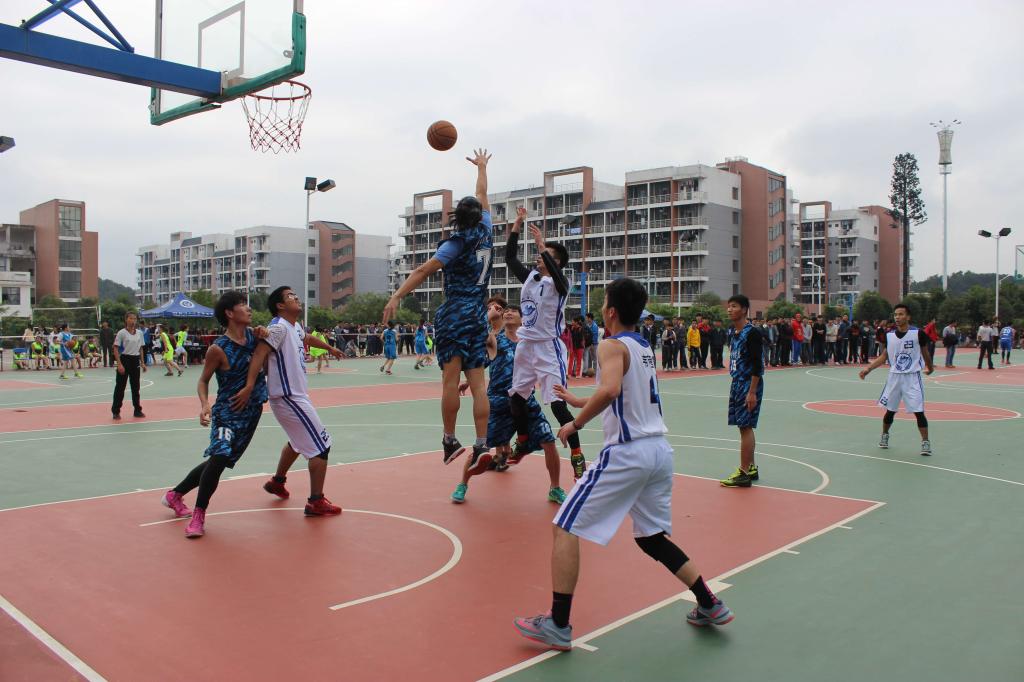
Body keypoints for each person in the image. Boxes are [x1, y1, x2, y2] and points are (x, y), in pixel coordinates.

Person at [513, 278, 733, 651]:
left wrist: (575, 423)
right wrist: (579, 401)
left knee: (564, 527)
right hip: (659, 451)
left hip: (628, 453)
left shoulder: (610, 344)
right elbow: (620, 393)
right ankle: (709, 602)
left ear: (611, 311)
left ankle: (558, 624)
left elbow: (611, 389)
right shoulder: (642, 346)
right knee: (651, 538)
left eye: (604, 305)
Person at [383, 149, 494, 468]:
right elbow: (482, 193)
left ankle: (449, 440)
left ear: (457, 218)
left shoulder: (455, 244)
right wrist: (482, 167)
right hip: (478, 314)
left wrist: (396, 296)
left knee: (450, 382)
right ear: (480, 215)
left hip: (455, 313)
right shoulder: (487, 229)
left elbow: (422, 271)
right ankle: (482, 444)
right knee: (479, 385)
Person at [162, 292, 269, 538]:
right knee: (219, 456)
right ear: (229, 313)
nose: (249, 308)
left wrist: (265, 332)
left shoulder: (256, 338)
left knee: (218, 461)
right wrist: (204, 404)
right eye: (242, 305)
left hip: (251, 412)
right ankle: (198, 516)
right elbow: (203, 380)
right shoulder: (218, 348)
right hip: (226, 413)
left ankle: (175, 494)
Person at [233, 286, 346, 516]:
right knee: (321, 447)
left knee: (297, 442)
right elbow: (259, 354)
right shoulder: (278, 328)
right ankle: (315, 501)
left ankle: (277, 482)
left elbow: (308, 338)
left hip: (294, 396)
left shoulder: (294, 327)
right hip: (288, 396)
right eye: (290, 296)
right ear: (280, 305)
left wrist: (329, 348)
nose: (296, 298)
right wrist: (249, 385)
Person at [451, 298, 567, 504]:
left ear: (524, 319)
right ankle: (462, 484)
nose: (509, 312)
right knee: (481, 447)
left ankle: (555, 488)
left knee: (549, 441)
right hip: (498, 401)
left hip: (524, 400)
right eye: (507, 311)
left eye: (515, 311)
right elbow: (481, 354)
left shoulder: (529, 343)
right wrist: (469, 381)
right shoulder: (495, 339)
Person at [505, 205, 587, 480]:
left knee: (557, 404)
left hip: (548, 348)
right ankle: (523, 440)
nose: (539, 259)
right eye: (540, 255)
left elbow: (558, 278)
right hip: (526, 346)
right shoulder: (531, 278)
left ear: (557, 262)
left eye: (547, 257)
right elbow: (510, 257)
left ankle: (577, 454)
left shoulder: (561, 284)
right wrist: (517, 225)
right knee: (516, 397)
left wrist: (542, 245)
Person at [859, 303, 934, 456]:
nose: (897, 317)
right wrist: (868, 369)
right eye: (895, 315)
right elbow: (884, 356)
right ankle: (885, 435)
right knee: (890, 410)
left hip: (912, 377)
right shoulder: (890, 336)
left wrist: (930, 367)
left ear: (908, 317)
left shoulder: (918, 333)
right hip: (894, 377)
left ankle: (925, 442)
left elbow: (925, 352)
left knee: (919, 411)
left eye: (901, 314)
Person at [720, 295, 764, 488]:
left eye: (734, 306)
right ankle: (751, 467)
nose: (729, 309)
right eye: (728, 306)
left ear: (744, 309)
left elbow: (757, 365)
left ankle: (744, 472)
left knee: (745, 426)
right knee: (742, 426)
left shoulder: (751, 333)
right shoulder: (735, 333)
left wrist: (752, 391)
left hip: (748, 383)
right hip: (737, 382)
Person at [112, 312, 147, 419]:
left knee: (136, 387)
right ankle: (116, 411)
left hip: (135, 360)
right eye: (131, 318)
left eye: (135, 319)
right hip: (125, 359)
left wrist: (142, 362)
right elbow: (115, 348)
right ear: (126, 320)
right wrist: (119, 364)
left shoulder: (139, 333)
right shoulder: (121, 333)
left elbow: (141, 348)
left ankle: (137, 410)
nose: (133, 321)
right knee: (120, 387)